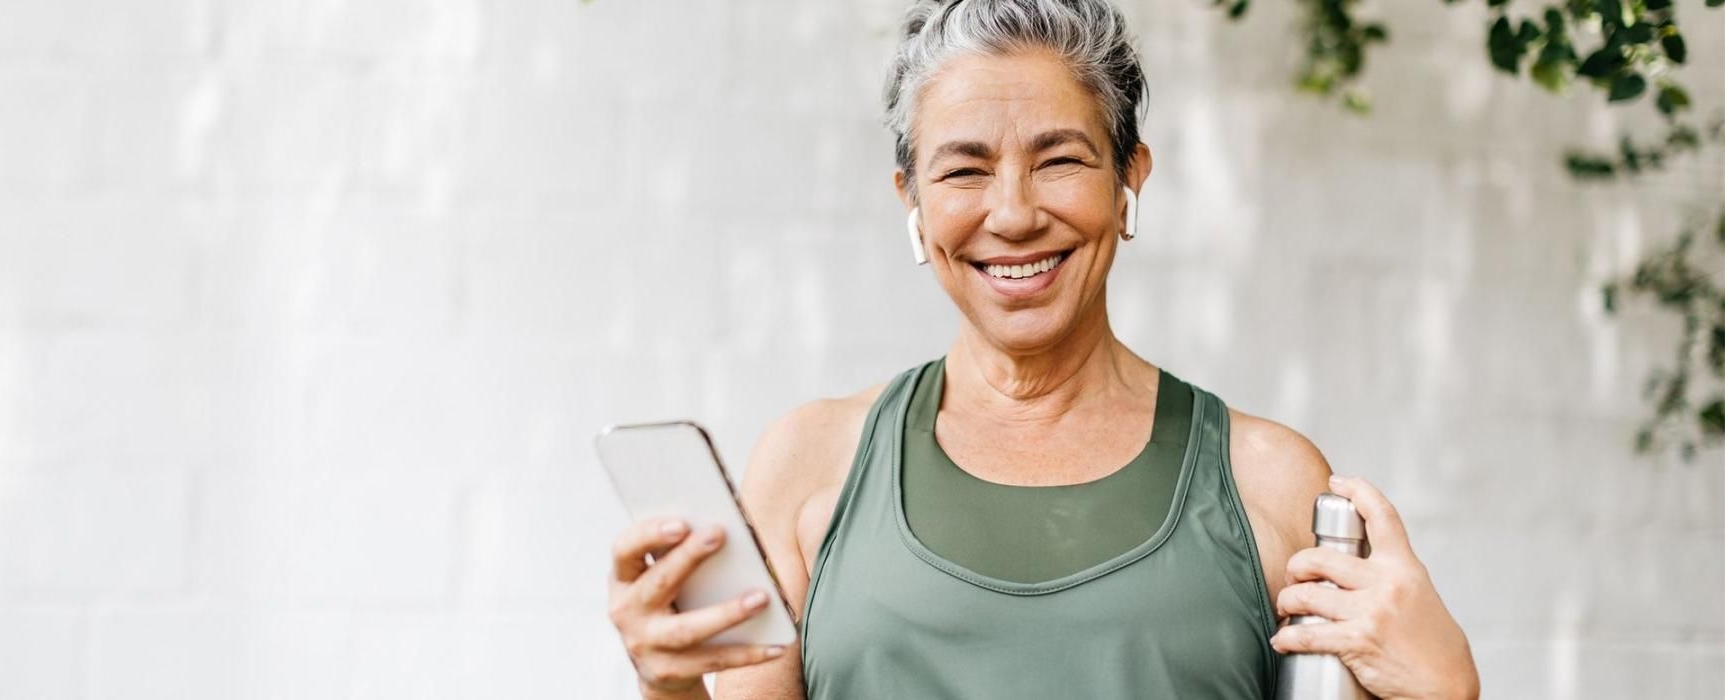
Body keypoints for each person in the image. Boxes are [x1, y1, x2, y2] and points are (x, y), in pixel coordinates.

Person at [605, 1, 1479, 697]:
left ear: (1129, 176)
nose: (1015, 213)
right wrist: (668, 686)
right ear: (910, 198)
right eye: (964, 169)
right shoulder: (808, 468)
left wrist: (1442, 687)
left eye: (1059, 159)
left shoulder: (1271, 480)